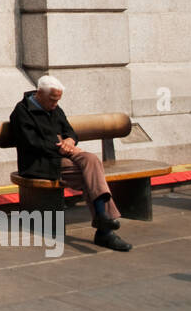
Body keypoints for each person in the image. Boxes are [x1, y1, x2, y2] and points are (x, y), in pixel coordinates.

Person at [9, 76, 132, 252]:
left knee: (91, 160)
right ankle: (104, 230)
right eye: (52, 100)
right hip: (40, 163)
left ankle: (103, 218)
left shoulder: (55, 109)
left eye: (58, 100)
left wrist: (70, 141)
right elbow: (33, 144)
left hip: (63, 155)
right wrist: (63, 148)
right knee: (90, 174)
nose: (55, 104)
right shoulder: (21, 112)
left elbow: (70, 131)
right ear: (39, 93)